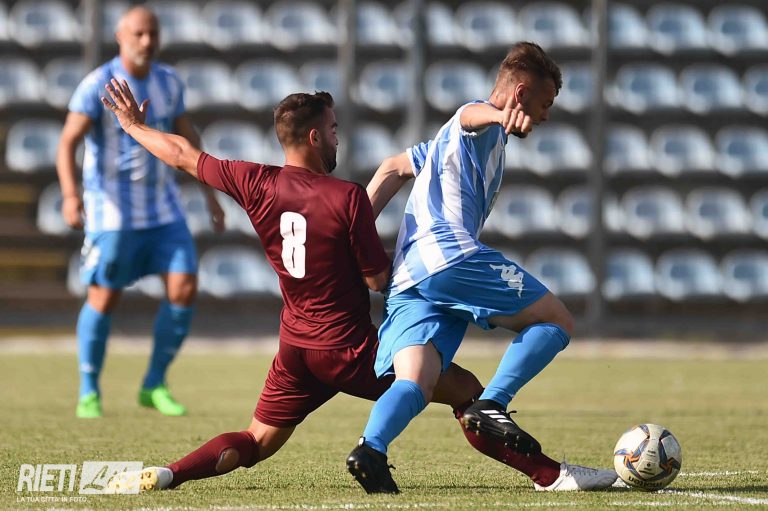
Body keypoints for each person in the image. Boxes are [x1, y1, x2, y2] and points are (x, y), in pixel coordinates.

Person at [99, 80, 612, 494]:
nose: (338, 138)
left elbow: (182, 154)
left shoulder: (254, 181)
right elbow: (377, 279)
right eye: (333, 129)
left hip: (295, 348)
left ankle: (169, 474)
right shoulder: (345, 198)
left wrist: (134, 125)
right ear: (315, 138)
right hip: (349, 348)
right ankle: (550, 474)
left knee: (257, 440)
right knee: (469, 393)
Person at [346, 42, 617, 492]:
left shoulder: (445, 145)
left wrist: (353, 240)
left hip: (410, 279)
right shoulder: (477, 123)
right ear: (521, 93)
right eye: (545, 103)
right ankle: (494, 404)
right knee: (557, 320)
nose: (546, 116)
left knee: (417, 379)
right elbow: (470, 114)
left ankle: (370, 449)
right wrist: (497, 116)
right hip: (450, 256)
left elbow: (392, 167)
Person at [56, 6, 225, 419]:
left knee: (184, 286)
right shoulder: (97, 84)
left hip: (164, 208)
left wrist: (211, 194)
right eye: (138, 33)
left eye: (153, 33)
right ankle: (89, 390)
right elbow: (67, 142)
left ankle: (154, 383)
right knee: (104, 295)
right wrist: (70, 195)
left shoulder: (169, 81)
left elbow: (187, 136)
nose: (147, 41)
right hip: (112, 211)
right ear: (120, 36)